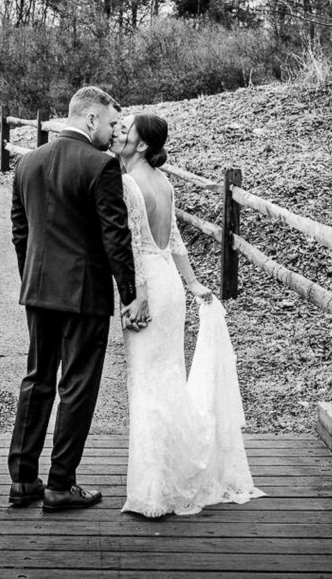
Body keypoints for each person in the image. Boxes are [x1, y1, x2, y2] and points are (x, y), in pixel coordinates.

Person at [110, 112, 264, 518]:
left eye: (126, 131)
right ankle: (173, 474)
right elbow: (174, 240)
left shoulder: (127, 183)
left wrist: (136, 295)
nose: (119, 134)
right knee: (168, 378)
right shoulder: (164, 183)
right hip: (172, 289)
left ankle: (154, 490)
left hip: (149, 288)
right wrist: (192, 283)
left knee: (147, 383)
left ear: (142, 145)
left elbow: (132, 245)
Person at [8, 86, 149, 512]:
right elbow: (114, 236)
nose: (111, 132)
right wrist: (130, 293)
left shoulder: (27, 161)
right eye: (109, 123)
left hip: (38, 290)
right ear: (90, 120)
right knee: (77, 386)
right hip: (85, 293)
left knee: (37, 379)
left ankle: (23, 481)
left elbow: (20, 231)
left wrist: (33, 279)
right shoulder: (101, 166)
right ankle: (61, 484)